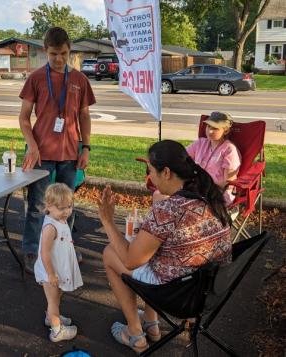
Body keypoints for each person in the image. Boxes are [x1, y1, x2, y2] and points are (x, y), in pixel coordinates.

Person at [98, 140, 232, 354]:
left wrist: (107, 220)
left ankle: (135, 334)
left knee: (110, 253)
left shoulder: (169, 208)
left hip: (180, 295)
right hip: (212, 289)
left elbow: (130, 260)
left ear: (166, 172)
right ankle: (151, 324)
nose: (149, 176)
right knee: (155, 254)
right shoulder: (210, 195)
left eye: (150, 170)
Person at [19, 26, 96, 272]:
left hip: (71, 155)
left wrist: (86, 148)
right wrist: (32, 146)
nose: (59, 59)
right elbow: (23, 118)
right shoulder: (36, 78)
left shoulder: (79, 80)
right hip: (42, 154)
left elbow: (84, 116)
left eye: (63, 53)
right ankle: (32, 250)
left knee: (66, 206)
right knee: (38, 206)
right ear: (45, 51)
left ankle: (64, 246)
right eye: (53, 54)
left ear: (70, 51)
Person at [153, 112, 240, 207]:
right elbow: (180, 156)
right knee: (158, 195)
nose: (210, 131)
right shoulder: (200, 143)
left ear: (226, 131)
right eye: (208, 127)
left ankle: (174, 219)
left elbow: (229, 182)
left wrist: (201, 188)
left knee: (182, 203)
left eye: (215, 128)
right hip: (195, 187)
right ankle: (163, 220)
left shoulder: (229, 150)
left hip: (217, 192)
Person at [34, 183, 83, 342]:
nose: (66, 211)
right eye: (62, 208)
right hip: (50, 271)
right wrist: (50, 274)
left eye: (69, 206)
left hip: (58, 269)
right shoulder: (50, 227)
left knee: (57, 295)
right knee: (53, 300)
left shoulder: (60, 220)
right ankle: (57, 331)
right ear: (49, 206)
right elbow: (44, 253)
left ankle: (51, 317)